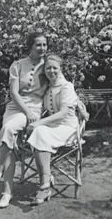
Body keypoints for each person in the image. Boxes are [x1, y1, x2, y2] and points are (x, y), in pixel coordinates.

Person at [0, 31, 48, 208]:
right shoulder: (18, 65)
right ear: (30, 46)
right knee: (8, 144)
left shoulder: (49, 65)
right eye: (38, 44)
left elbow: (62, 85)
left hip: (34, 110)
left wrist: (77, 103)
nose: (42, 48)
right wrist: (25, 111)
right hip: (14, 107)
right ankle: (7, 192)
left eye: (44, 44)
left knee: (6, 130)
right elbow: (13, 92)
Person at [27, 54, 79, 205]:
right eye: (48, 68)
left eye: (55, 68)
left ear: (60, 69)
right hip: (54, 127)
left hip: (68, 128)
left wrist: (39, 123)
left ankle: (45, 184)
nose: (51, 71)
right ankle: (46, 180)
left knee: (39, 131)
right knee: (37, 132)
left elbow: (63, 113)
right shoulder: (48, 88)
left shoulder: (66, 86)